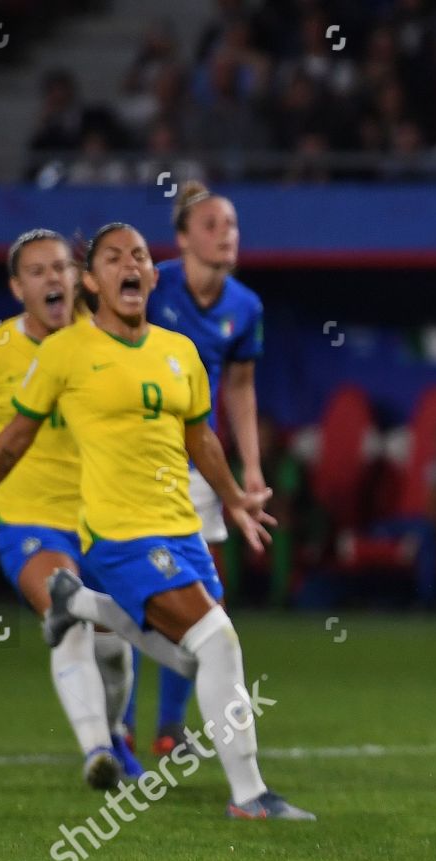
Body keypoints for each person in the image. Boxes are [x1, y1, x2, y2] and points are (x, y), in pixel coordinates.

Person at [0, 222, 312, 821]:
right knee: (220, 642)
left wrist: (232, 497)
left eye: (140, 257)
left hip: (181, 527)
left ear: (153, 277)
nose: (130, 264)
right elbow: (8, 444)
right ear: (95, 282)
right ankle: (249, 796)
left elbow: (200, 437)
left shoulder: (178, 352)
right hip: (117, 535)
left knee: (193, 659)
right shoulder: (63, 354)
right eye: (113, 258)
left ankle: (82, 606)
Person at [0, 229, 139, 788]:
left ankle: (117, 733)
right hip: (28, 521)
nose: (53, 278)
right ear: (16, 286)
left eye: (60, 267)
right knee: (66, 609)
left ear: (77, 277)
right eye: (37, 271)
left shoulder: (108, 340)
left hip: (107, 521)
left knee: (115, 645)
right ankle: (97, 751)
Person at [121, 181, 268, 760]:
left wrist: (250, 468)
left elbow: (241, 387)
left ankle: (168, 726)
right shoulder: (152, 287)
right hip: (139, 462)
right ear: (181, 240)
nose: (224, 234)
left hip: (201, 463)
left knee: (204, 596)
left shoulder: (245, 307)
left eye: (230, 225)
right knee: (132, 594)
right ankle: (120, 727)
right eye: (210, 225)